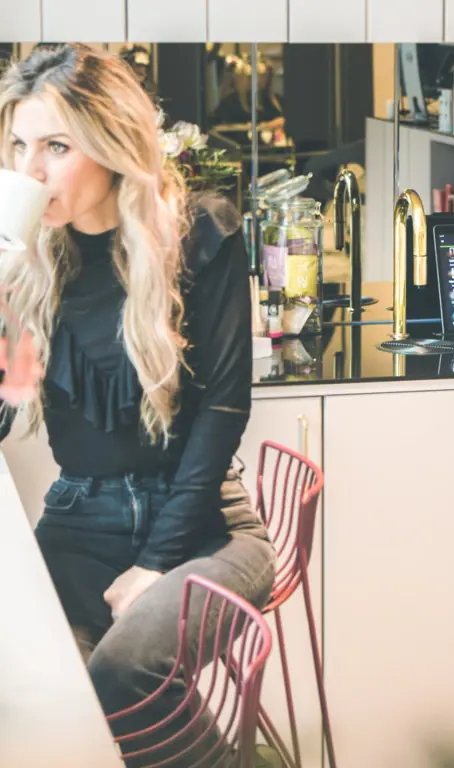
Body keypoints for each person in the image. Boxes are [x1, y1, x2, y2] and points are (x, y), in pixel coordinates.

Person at [0, 43, 275, 767]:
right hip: (79, 520)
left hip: (205, 526)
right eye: (20, 145)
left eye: (56, 146)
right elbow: (5, 411)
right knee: (30, 699)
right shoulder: (30, 262)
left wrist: (155, 563)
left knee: (123, 675)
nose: (31, 170)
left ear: (111, 145)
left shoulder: (201, 238)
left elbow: (222, 412)